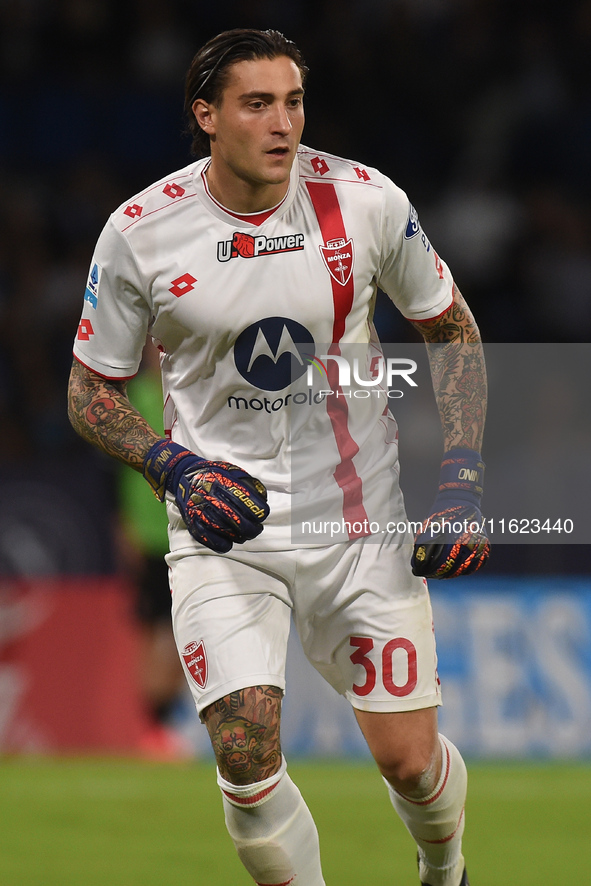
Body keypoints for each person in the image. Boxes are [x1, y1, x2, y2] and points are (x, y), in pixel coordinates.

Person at [68, 28, 489, 886]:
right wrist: (172, 468)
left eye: (292, 101)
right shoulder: (141, 232)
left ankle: (443, 871)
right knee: (245, 752)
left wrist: (464, 480)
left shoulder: (366, 202)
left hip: (359, 522)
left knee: (409, 763)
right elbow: (89, 392)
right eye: (257, 104)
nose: (282, 123)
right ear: (207, 116)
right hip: (225, 532)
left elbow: (450, 329)